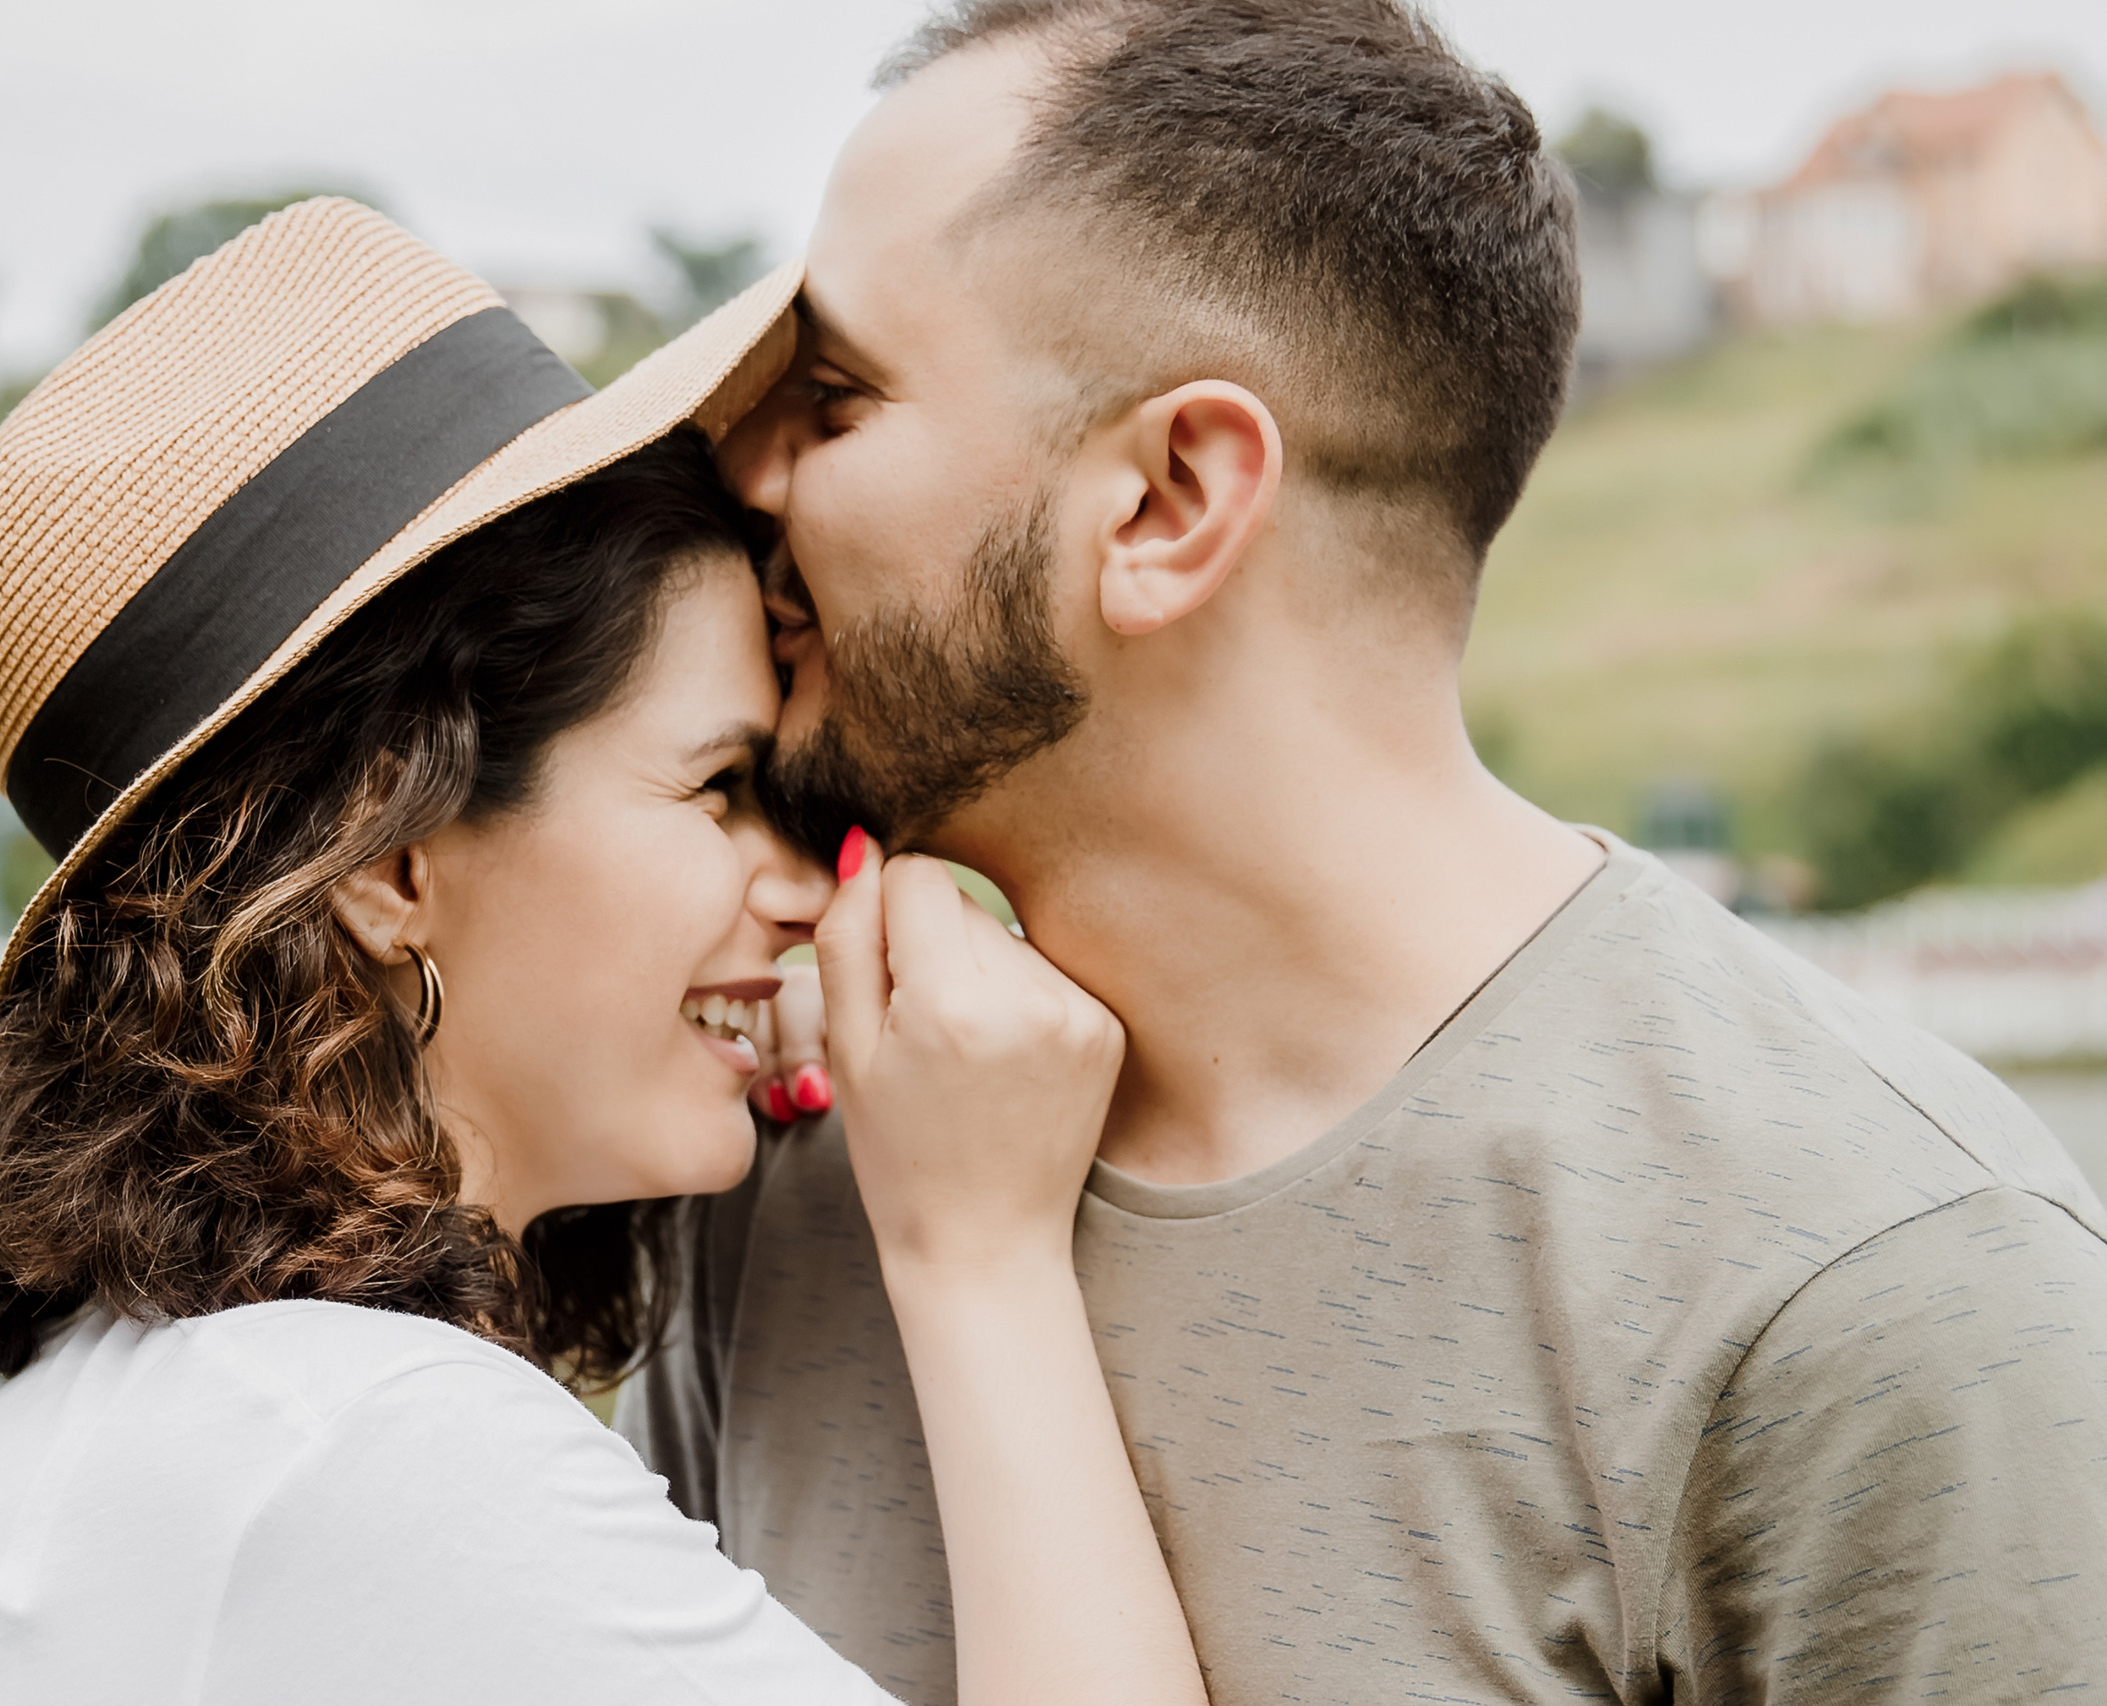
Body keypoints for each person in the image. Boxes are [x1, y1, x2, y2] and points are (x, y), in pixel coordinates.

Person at [627, 2, 2107, 1700]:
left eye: (834, 397)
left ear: (1173, 501)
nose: (737, 471)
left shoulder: (1880, 1287)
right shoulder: (810, 1177)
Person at [0, 197, 1208, 1706]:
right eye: (717, 787)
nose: (798, 879)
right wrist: (981, 1254)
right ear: (391, 855)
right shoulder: (366, 1451)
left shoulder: (102, 1408)